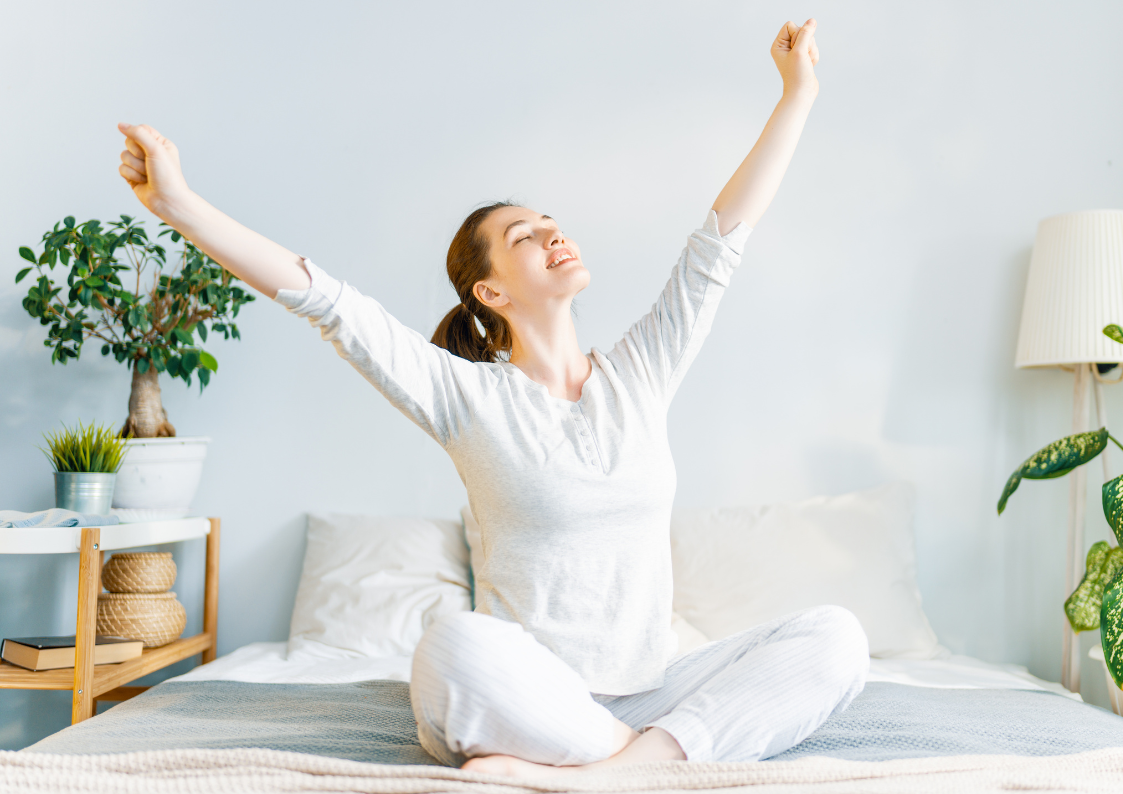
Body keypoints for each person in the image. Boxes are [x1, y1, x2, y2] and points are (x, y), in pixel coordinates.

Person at [116, 17, 868, 779]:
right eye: (524, 236)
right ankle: (644, 764)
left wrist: (797, 92)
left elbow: (720, 243)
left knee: (834, 637)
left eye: (551, 225)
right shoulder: (464, 394)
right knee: (453, 643)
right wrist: (178, 205)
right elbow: (326, 300)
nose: (552, 235)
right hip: (522, 693)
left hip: (648, 695)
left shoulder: (639, 373)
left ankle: (614, 768)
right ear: (490, 291)